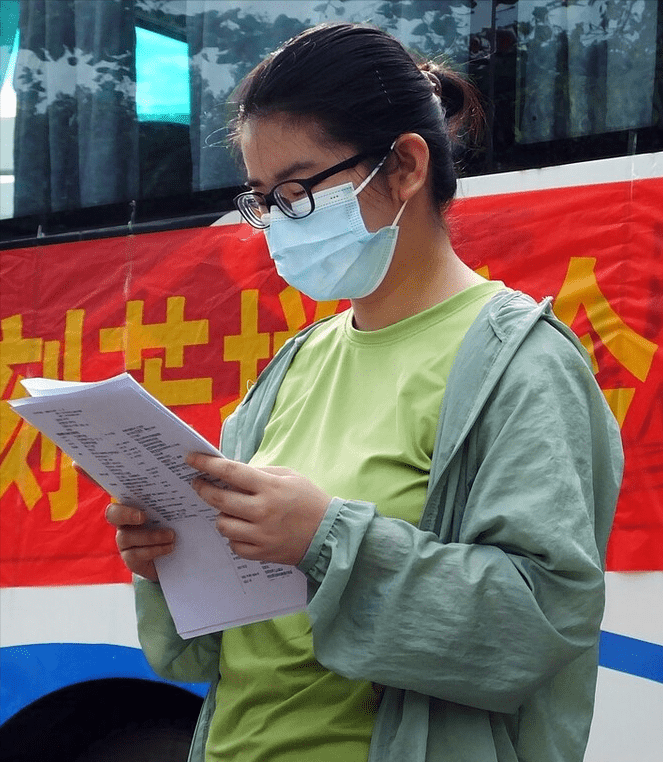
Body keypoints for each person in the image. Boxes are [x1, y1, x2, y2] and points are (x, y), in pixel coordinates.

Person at [105, 22, 623, 762]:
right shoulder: (294, 366)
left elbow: (535, 629)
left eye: (298, 190)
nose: (279, 223)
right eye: (263, 199)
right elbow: (208, 654)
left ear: (406, 166)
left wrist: (325, 536)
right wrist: (174, 558)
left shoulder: (519, 364)